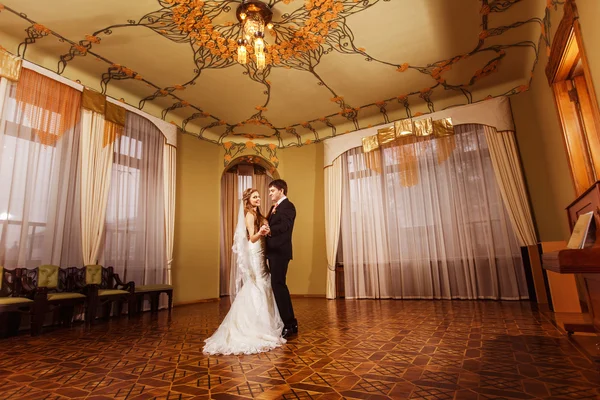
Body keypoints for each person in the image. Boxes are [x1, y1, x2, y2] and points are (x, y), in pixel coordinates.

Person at [203, 188, 286, 355]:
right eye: (255, 197)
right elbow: (251, 238)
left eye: (259, 196)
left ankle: (266, 321)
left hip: (262, 252)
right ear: (248, 200)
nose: (258, 198)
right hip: (255, 251)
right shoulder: (249, 215)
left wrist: (267, 223)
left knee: (265, 282)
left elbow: (262, 228)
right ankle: (255, 323)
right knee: (258, 283)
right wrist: (261, 232)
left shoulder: (258, 213)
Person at [264, 179, 298, 338]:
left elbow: (285, 226)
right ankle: (291, 323)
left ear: (281, 190)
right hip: (273, 252)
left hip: (280, 252)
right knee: (278, 286)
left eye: (272, 191)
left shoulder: (288, 206)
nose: (270, 193)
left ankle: (290, 324)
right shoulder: (274, 207)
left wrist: (268, 230)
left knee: (278, 286)